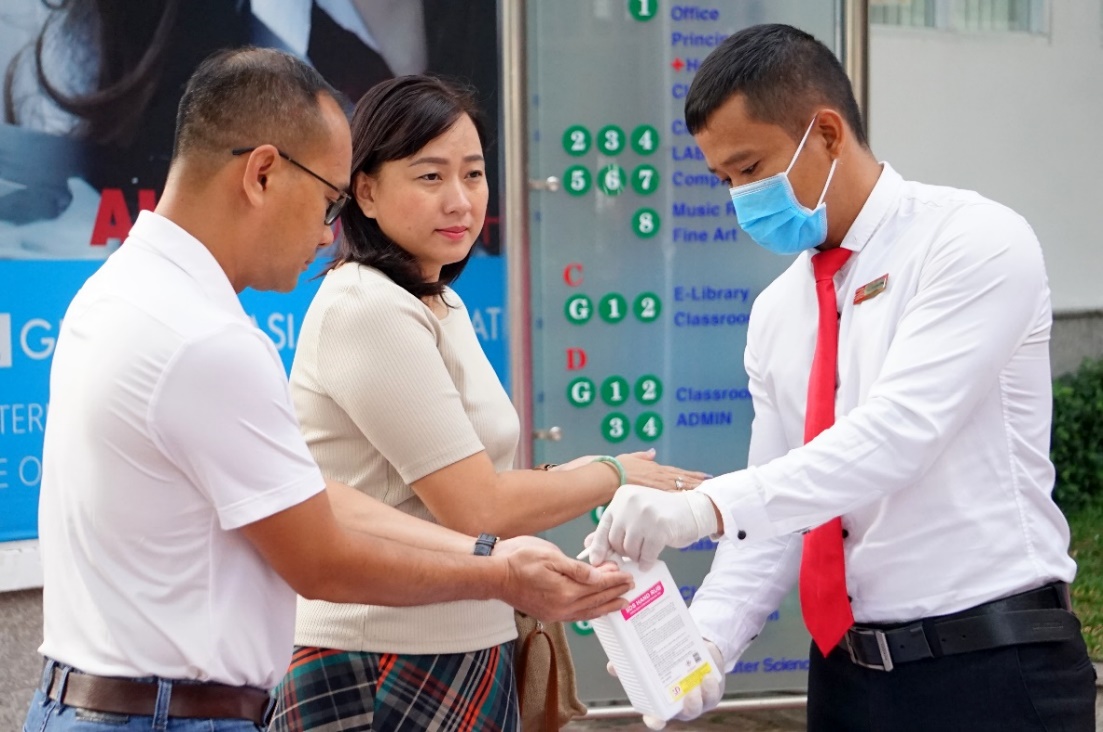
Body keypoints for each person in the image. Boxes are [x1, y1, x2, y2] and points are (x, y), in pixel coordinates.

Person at [23, 47, 634, 732]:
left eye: (473, 174)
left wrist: (489, 555)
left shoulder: (120, 293)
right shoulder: (209, 340)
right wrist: (502, 573)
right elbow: (322, 559)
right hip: (172, 713)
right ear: (261, 172)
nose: (325, 233)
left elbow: (318, 503)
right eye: (326, 200)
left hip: (108, 701)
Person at [587, 23, 1096, 731]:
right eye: (724, 179)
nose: (737, 197)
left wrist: (704, 507)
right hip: (846, 678)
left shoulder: (970, 242)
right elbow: (779, 505)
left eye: (749, 167)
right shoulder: (776, 311)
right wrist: (703, 645)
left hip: (988, 667)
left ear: (825, 133)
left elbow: (897, 435)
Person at [268, 74, 707, 732]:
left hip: (461, 638)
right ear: (365, 190)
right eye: (429, 177)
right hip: (380, 655)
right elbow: (476, 507)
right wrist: (613, 473)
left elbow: (480, 496)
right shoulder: (367, 306)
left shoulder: (435, 300)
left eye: (473, 175)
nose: (460, 201)